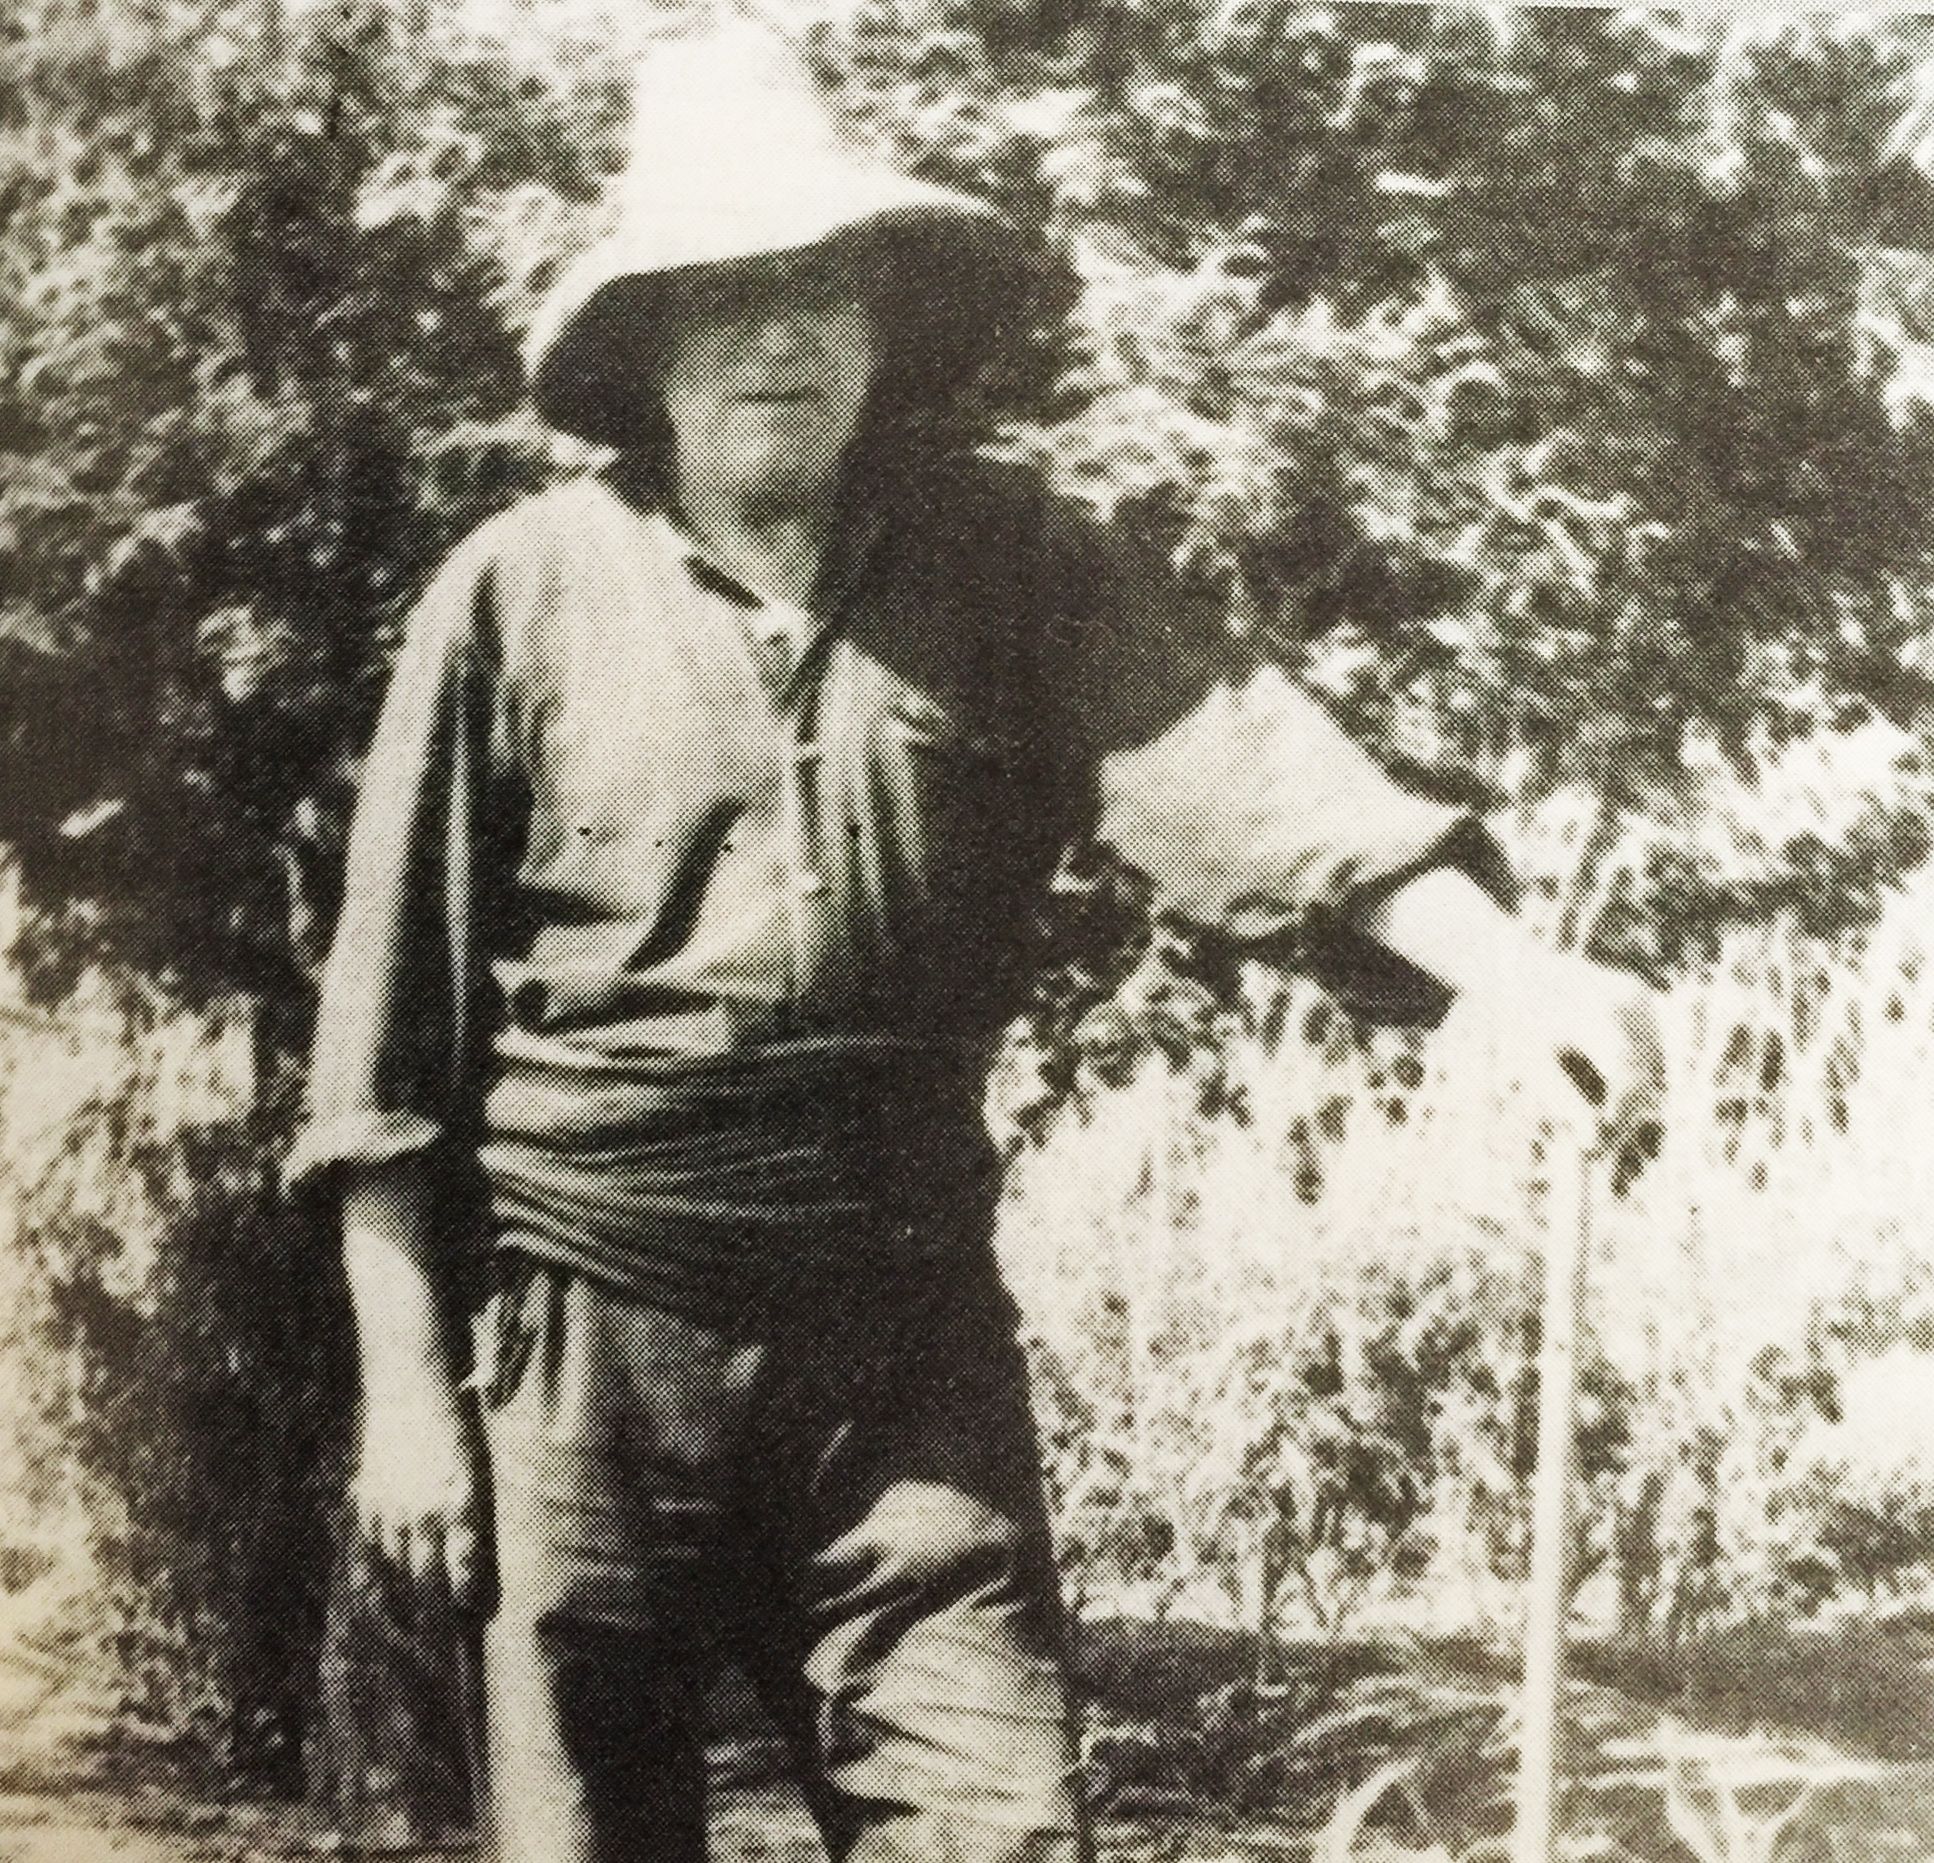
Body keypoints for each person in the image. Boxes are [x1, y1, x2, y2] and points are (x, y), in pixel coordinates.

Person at [288, 21, 1664, 1863]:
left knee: (996, 1816)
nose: (779, 335)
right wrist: (407, 1402)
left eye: (822, 290)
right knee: (591, 1832)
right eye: (728, 297)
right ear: (649, 348)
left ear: (878, 329)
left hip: (901, 1324)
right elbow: (387, 1043)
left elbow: (1244, 771)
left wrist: (1512, 968)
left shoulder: (1008, 557)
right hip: (594, 1335)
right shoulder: (520, 589)